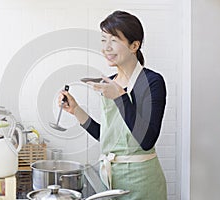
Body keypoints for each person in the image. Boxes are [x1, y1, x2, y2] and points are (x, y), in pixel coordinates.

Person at [60, 10, 167, 199]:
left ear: (135, 45)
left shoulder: (151, 82)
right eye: (103, 40)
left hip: (142, 183)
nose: (106, 48)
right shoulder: (110, 82)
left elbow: (147, 140)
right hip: (110, 181)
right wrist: (76, 110)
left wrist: (120, 96)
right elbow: (108, 137)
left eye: (114, 40)